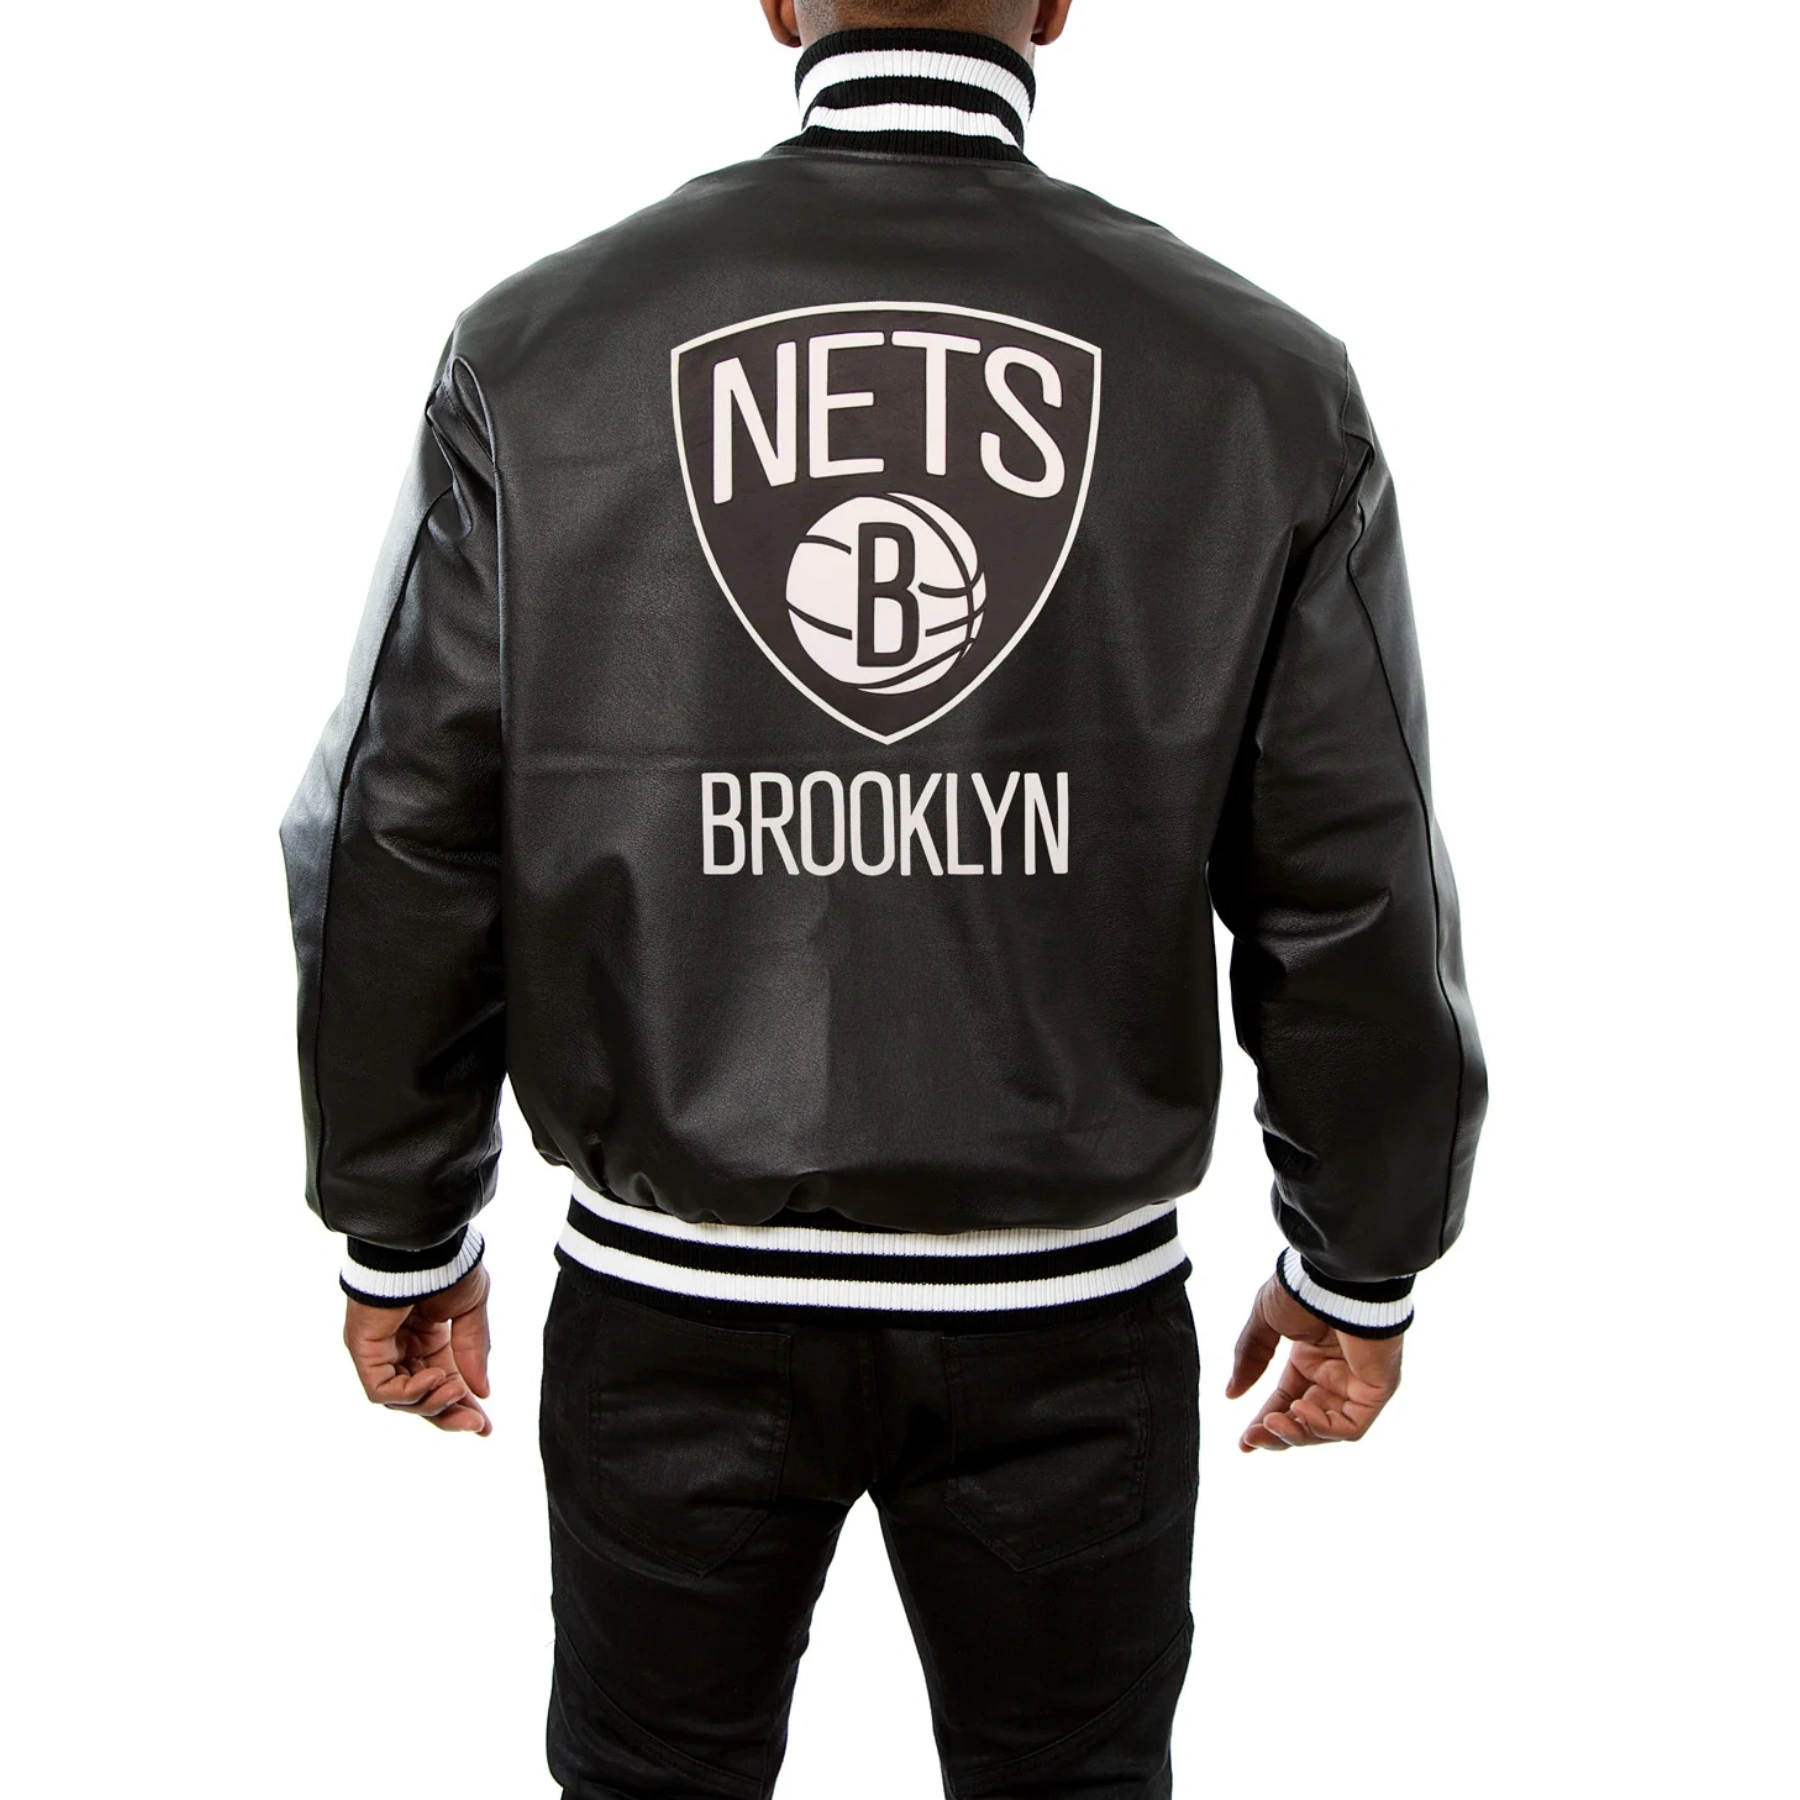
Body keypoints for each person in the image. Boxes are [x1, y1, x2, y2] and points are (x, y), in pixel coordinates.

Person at [280, 1, 1486, 1792]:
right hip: (1069, 1321)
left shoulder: (539, 352)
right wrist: (1359, 1264)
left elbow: (397, 824)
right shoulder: (1261, 381)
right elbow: (1351, 881)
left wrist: (402, 1226)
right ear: (1056, 4)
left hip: (671, 1309)